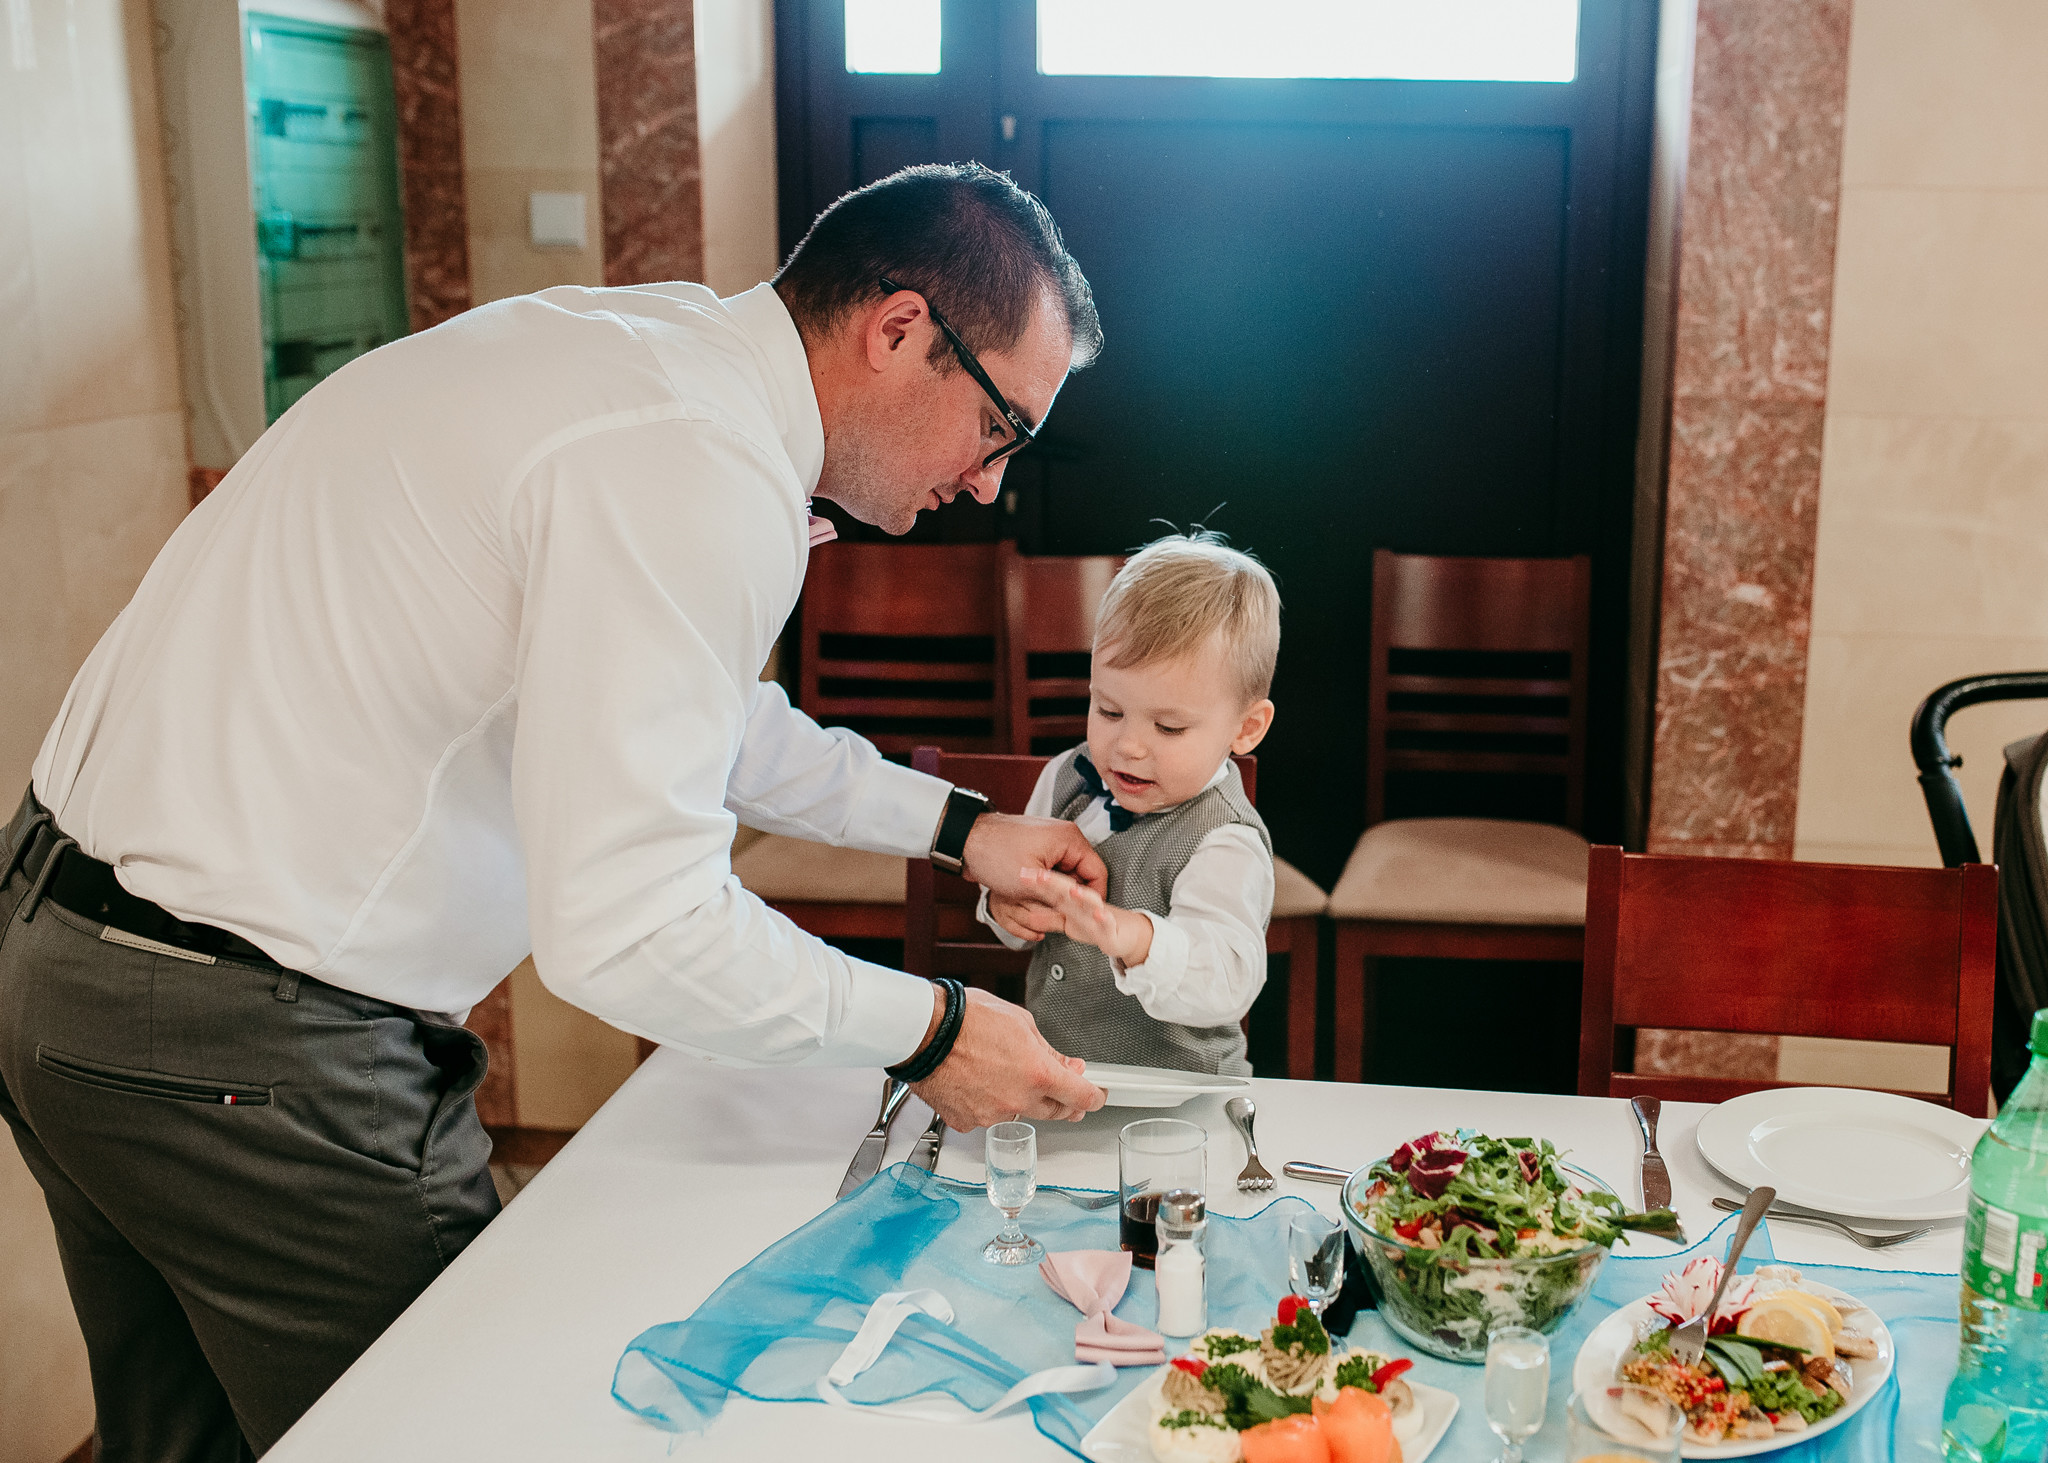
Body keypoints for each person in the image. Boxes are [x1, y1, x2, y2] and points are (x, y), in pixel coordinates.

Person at [0, 162, 1109, 1461]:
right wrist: (935, 1030)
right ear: (900, 328)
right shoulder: (692, 462)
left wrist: (961, 828)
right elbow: (630, 929)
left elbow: (696, 712)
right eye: (1000, 427)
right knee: (452, 1434)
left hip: (64, 962)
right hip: (244, 1044)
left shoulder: (646, 356)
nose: (988, 484)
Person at [976, 533, 1281, 1075]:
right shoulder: (1066, 778)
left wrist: (1137, 940)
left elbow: (1229, 981)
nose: (1129, 747)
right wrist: (1002, 907)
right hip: (1055, 1080)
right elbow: (1012, 898)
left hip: (1182, 1097)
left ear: (1246, 728)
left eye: (1169, 727)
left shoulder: (1224, 839)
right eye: (1109, 711)